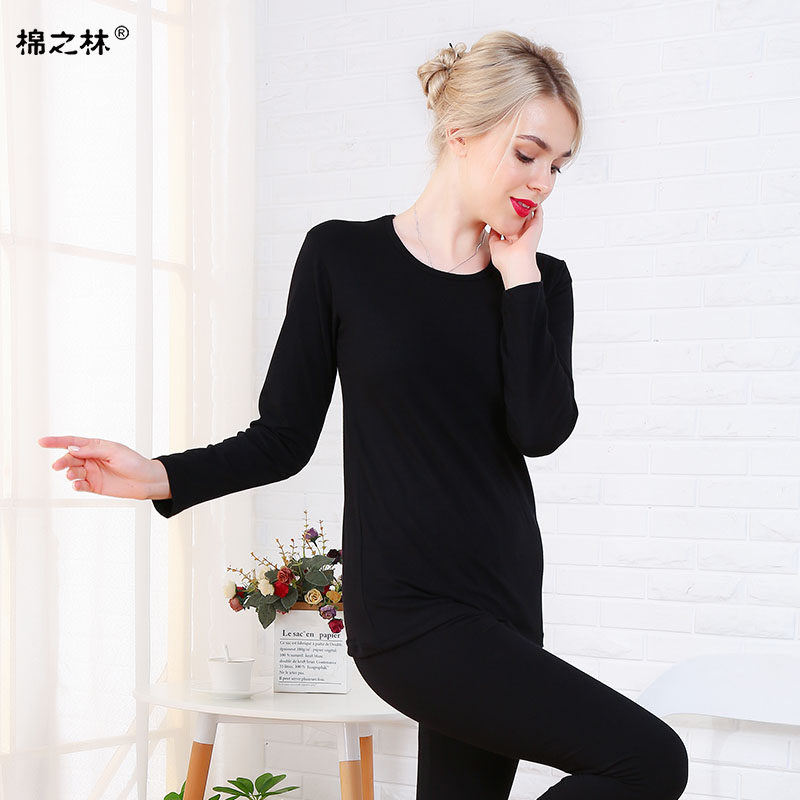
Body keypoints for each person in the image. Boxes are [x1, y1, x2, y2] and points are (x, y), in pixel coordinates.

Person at [39, 30, 689, 800]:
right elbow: (283, 437)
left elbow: (539, 431)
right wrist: (158, 475)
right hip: (406, 612)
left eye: (558, 164)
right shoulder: (342, 259)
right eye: (528, 154)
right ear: (461, 132)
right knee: (650, 760)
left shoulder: (541, 281)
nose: (543, 181)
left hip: (505, 599)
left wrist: (518, 277)